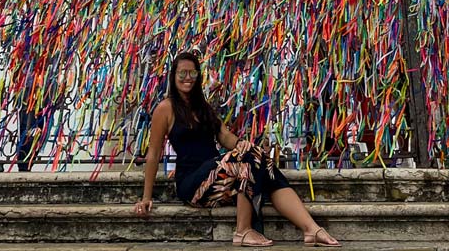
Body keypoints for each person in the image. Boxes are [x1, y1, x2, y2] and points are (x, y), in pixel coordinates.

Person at [133, 51, 341, 247]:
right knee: (252, 159)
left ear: (198, 76)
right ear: (174, 76)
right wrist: (146, 197)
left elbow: (225, 137)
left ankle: (310, 228)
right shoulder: (165, 108)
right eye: (182, 73)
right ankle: (242, 231)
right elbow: (153, 154)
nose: (188, 77)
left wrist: (242, 144)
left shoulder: (203, 107)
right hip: (192, 182)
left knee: (261, 161)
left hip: (220, 176)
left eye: (192, 73)